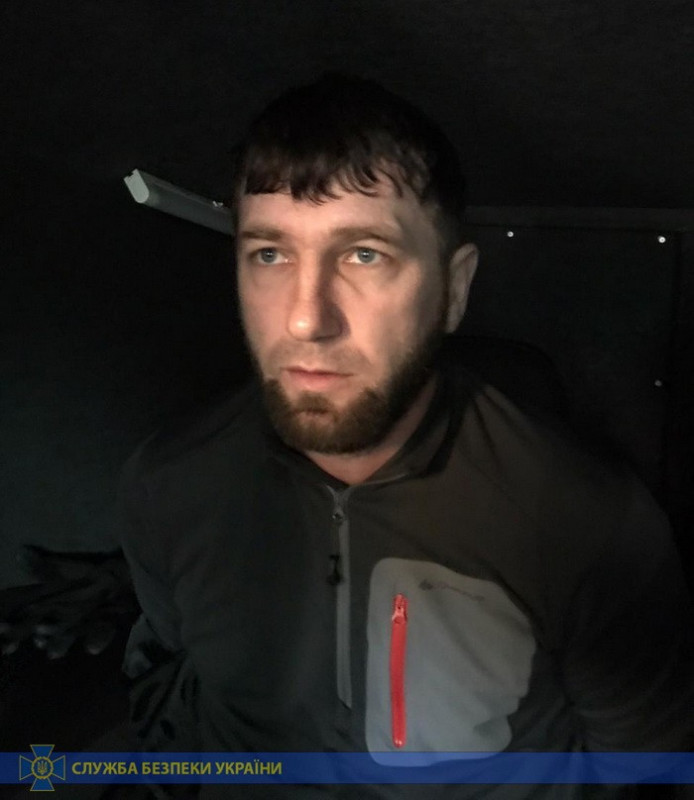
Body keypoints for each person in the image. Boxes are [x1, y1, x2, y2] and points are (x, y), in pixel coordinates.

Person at [117, 73, 693, 798]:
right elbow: (173, 672)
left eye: (364, 254)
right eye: (270, 254)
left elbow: (643, 773)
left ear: (453, 290)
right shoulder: (169, 483)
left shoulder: (589, 519)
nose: (305, 318)